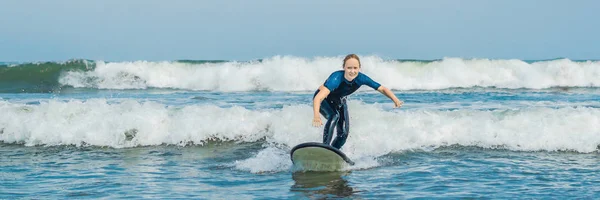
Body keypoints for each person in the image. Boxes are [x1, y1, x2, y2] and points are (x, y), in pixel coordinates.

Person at [312, 54, 403, 149]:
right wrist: (316, 116)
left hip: (339, 100)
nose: (352, 71)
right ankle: (325, 147)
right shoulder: (336, 78)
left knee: (343, 134)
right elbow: (318, 98)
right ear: (344, 68)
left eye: (355, 68)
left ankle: (333, 152)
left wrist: (395, 99)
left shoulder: (361, 78)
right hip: (323, 100)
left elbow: (382, 89)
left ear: (359, 68)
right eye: (349, 68)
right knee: (334, 116)